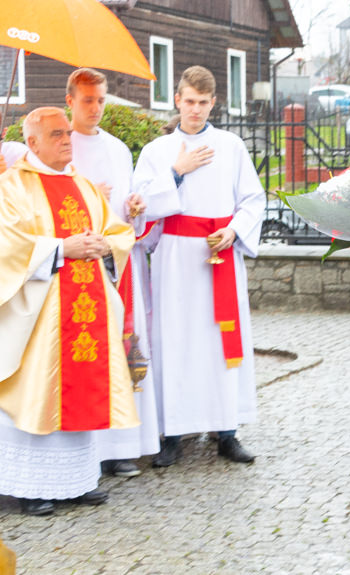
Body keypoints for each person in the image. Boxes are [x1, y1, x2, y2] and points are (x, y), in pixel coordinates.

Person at [0, 107, 137, 515]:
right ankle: (29, 488)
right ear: (33, 142)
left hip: (86, 308)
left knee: (82, 391)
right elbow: (9, 244)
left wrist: (105, 246)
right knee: (39, 390)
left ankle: (74, 482)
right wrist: (62, 248)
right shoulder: (12, 187)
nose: (66, 139)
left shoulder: (83, 184)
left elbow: (116, 230)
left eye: (67, 133)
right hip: (41, 314)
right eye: (56, 134)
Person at [133, 66, 265, 467]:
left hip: (219, 256)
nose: (195, 110)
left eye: (203, 103)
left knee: (218, 343)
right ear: (178, 100)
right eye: (189, 101)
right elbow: (137, 209)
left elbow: (253, 200)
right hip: (175, 258)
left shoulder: (231, 146)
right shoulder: (157, 151)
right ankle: (172, 433)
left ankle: (226, 431)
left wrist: (234, 230)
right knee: (175, 342)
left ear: (213, 103)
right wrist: (176, 172)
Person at [66, 68, 160, 478]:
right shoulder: (59, 145)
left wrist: (134, 207)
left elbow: (127, 211)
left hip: (119, 265)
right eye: (87, 100)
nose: (96, 108)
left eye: (101, 99)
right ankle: (88, 448)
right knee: (87, 356)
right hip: (77, 269)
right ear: (69, 100)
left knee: (123, 351)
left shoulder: (119, 149)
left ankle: (122, 445)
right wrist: (85, 194)